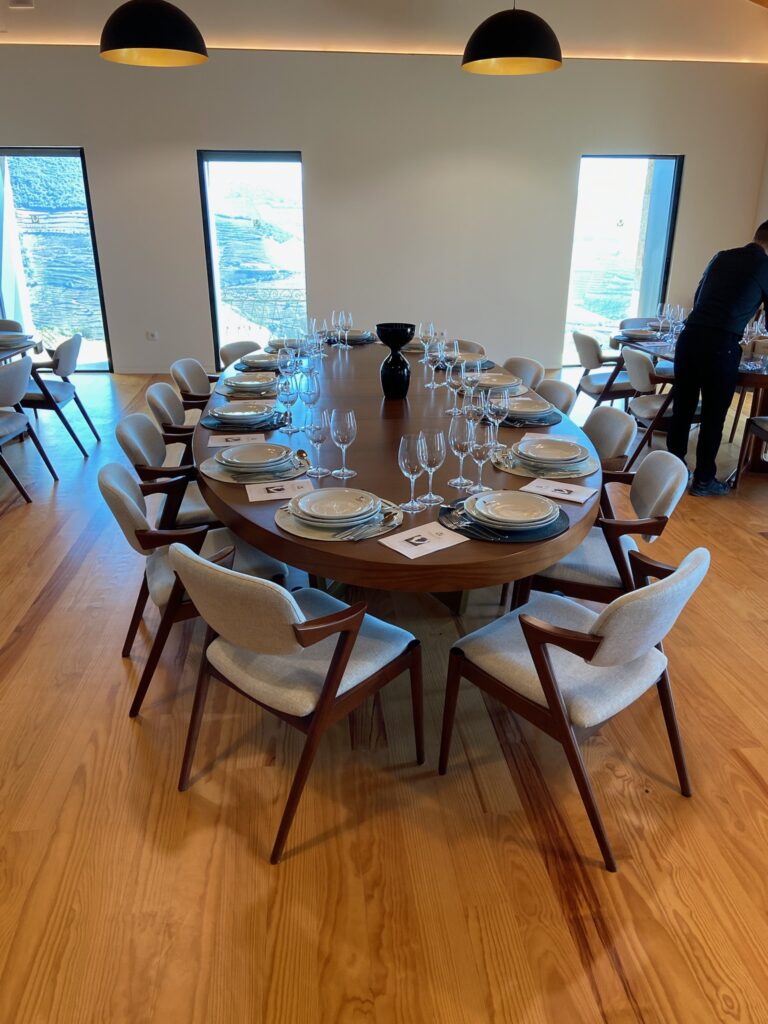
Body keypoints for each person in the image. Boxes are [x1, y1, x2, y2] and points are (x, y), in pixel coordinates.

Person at [666, 222, 768, 495]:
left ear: (755, 237)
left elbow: (699, 297)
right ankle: (703, 480)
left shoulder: (721, 257)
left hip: (689, 337)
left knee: (683, 408)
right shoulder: (765, 267)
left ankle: (671, 472)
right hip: (721, 345)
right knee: (713, 415)